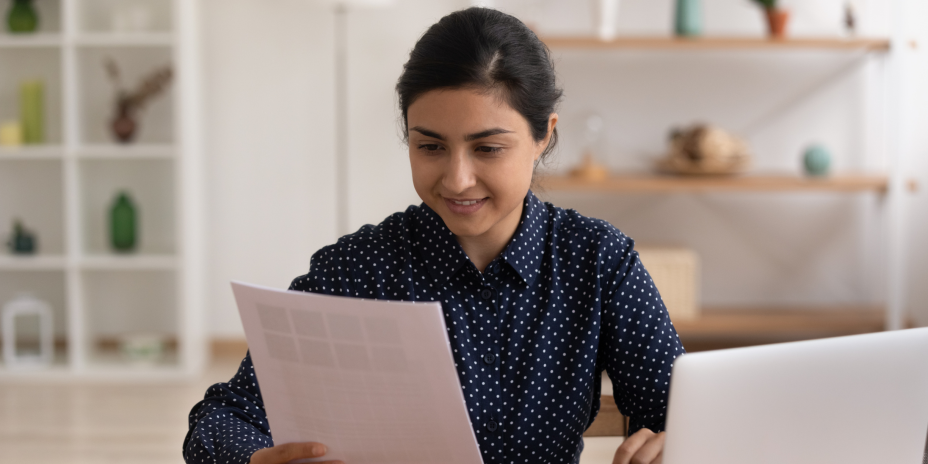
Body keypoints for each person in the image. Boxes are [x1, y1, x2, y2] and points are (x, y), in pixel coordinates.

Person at [184, 7, 685, 464]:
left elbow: (680, 419)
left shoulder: (597, 261)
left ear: (543, 136)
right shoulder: (358, 269)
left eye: (487, 149)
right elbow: (217, 423)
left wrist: (677, 445)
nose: (456, 179)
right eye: (430, 146)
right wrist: (252, 459)